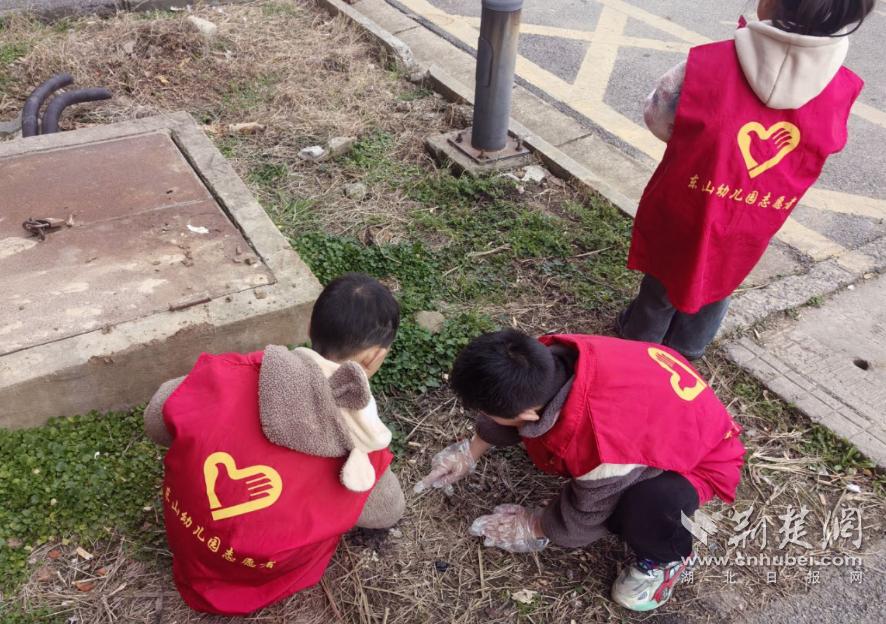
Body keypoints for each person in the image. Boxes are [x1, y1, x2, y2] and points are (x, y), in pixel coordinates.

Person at [416, 329, 744, 612]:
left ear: (529, 414)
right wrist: (469, 452)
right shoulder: (547, 359)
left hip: (701, 456)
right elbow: (515, 411)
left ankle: (667, 560)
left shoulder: (601, 445)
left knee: (645, 504)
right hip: (666, 414)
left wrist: (537, 525)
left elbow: (589, 510)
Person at [620, 0, 876, 360]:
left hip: (688, 202)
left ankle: (637, 349)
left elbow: (657, 114)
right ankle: (686, 350)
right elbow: (823, 148)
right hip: (753, 215)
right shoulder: (841, 88)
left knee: (665, 277)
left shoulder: (709, 62)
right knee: (721, 275)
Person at [143, 273, 405, 615]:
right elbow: (387, 511)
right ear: (374, 356)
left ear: (311, 326)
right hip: (259, 575)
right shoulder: (362, 440)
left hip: (191, 546)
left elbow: (156, 419)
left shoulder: (231, 372)